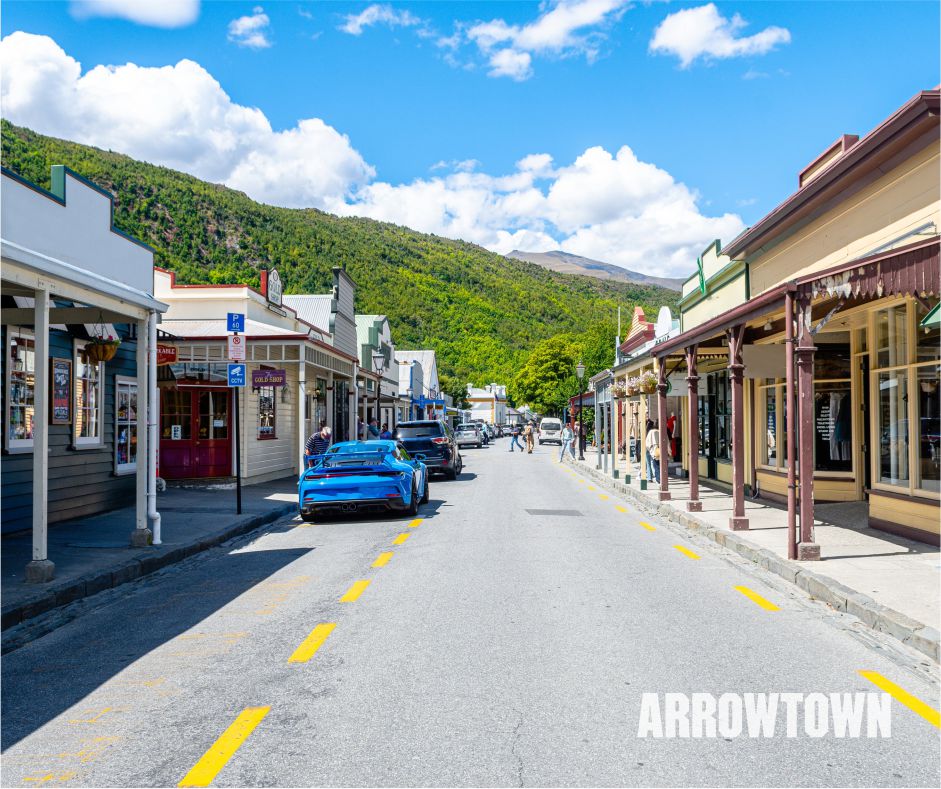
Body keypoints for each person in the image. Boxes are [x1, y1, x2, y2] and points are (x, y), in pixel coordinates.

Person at [645, 419, 661, 484]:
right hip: (660, 450)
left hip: (652, 449)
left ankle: (651, 478)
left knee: (651, 464)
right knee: (657, 464)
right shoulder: (661, 431)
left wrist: (650, 449)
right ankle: (658, 478)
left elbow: (647, 442)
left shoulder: (649, 432)